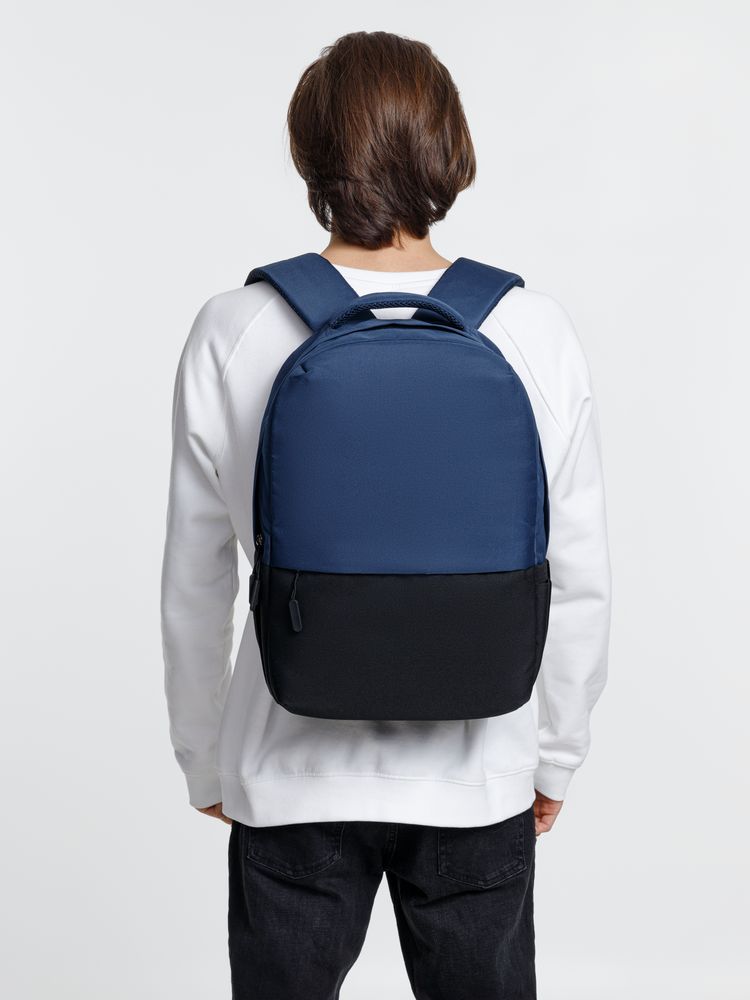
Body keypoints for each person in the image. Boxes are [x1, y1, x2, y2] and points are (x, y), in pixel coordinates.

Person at [161, 30, 611, 1000]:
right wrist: (555, 755)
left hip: (287, 776)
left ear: (309, 152)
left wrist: (206, 758)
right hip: (478, 777)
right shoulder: (533, 331)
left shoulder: (232, 328)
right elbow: (578, 574)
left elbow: (195, 580)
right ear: (451, 149)